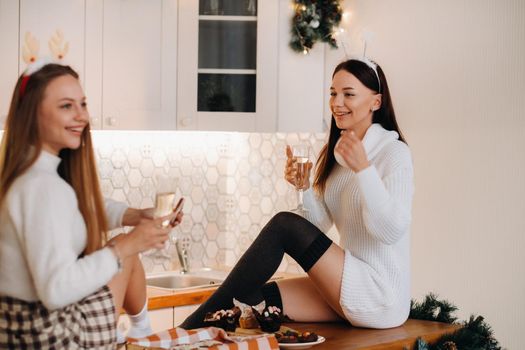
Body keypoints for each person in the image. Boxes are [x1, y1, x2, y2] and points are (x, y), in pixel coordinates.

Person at [180, 58, 413, 330]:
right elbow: (316, 228)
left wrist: (364, 169)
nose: (337, 103)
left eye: (348, 94)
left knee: (284, 224)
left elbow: (391, 230)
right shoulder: (338, 156)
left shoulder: (394, 153)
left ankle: (185, 331)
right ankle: (193, 336)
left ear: (376, 102)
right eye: (333, 93)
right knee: (252, 299)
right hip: (349, 281)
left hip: (381, 296)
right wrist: (303, 187)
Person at [0, 62, 182, 348]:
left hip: (17, 333)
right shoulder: (44, 188)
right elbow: (56, 290)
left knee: (124, 249)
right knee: (124, 251)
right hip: (53, 337)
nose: (82, 116)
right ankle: (143, 335)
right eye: (66, 106)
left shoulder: (29, 174)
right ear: (33, 114)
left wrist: (135, 216)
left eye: (82, 104)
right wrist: (127, 246)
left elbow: (82, 209)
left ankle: (141, 334)